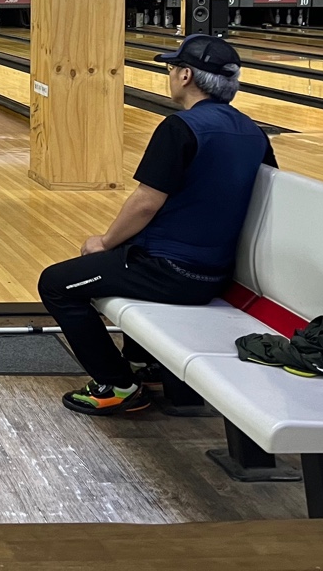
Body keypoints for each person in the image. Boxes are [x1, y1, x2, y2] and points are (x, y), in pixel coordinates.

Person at [38, 35, 277, 416]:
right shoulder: (254, 132)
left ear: (186, 75)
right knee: (122, 256)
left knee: (57, 283)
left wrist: (104, 241)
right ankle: (144, 364)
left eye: (172, 68)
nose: (170, 74)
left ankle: (117, 385)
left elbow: (146, 202)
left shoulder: (180, 127)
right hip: (216, 273)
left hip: (171, 271)